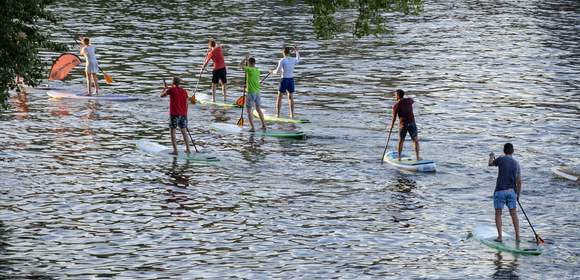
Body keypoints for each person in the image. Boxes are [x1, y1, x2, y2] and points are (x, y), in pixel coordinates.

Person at [488, 143, 522, 242]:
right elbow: (519, 182)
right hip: (512, 192)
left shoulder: (501, 159)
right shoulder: (516, 163)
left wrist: (491, 156)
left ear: (504, 151)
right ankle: (518, 237)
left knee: (498, 213)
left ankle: (500, 237)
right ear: (513, 151)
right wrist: (518, 195)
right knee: (514, 214)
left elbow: (490, 164)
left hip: (500, 191)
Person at [160, 77, 191, 155]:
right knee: (184, 132)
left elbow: (162, 95)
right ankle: (188, 149)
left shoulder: (171, 90)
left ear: (172, 83)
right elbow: (187, 103)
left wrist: (164, 89)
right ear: (179, 83)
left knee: (172, 132)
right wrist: (185, 114)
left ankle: (175, 150)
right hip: (183, 114)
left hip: (174, 114)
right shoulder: (184, 91)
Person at [389, 89, 420, 161]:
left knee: (401, 141)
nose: (395, 96)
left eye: (395, 95)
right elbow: (412, 101)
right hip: (412, 123)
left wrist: (391, 127)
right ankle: (417, 157)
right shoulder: (409, 100)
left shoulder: (396, 105)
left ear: (398, 96)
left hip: (403, 125)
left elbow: (394, 118)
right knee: (415, 140)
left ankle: (399, 157)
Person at [271, 46, 299, 118]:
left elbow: (277, 72)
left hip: (284, 80)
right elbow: (298, 59)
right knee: (290, 97)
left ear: (283, 52)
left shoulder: (282, 60)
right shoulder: (293, 59)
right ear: (289, 52)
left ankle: (277, 114)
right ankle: (292, 114)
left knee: (279, 97)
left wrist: (272, 72)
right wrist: (297, 51)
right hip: (291, 80)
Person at [240, 56, 266, 132]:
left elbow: (240, 65)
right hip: (258, 92)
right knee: (258, 109)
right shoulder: (257, 70)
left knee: (249, 110)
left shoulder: (249, 69)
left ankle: (253, 128)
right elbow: (255, 80)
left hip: (251, 92)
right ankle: (264, 125)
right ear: (255, 63)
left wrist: (244, 59)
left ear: (249, 63)